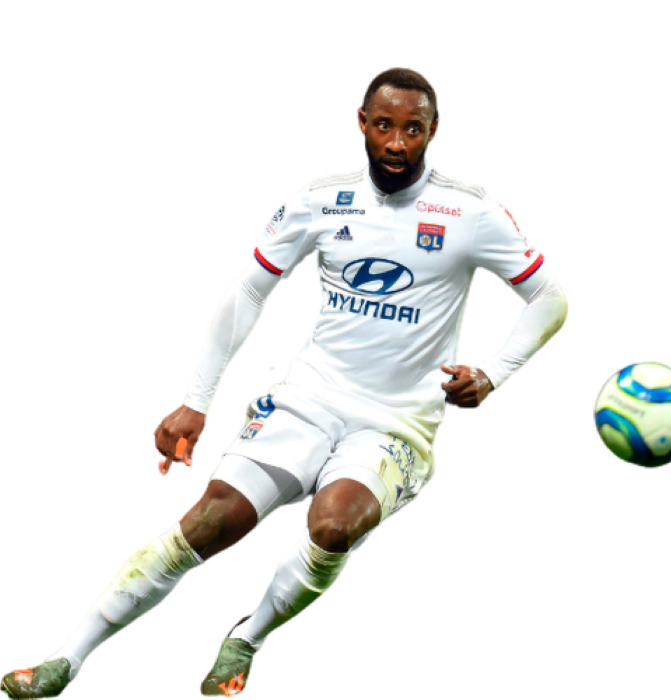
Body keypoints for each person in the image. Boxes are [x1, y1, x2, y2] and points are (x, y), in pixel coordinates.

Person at [1, 66, 570, 699]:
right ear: (361, 122)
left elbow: (549, 298)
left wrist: (492, 373)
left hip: (396, 421)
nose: (396, 143)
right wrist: (196, 401)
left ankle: (247, 638)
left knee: (335, 526)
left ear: (434, 131)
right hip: (307, 399)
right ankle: (65, 660)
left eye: (413, 129)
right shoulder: (320, 199)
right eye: (384, 125)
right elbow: (250, 290)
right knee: (209, 522)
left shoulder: (471, 211)